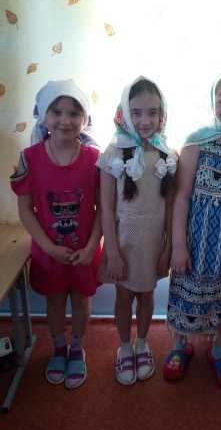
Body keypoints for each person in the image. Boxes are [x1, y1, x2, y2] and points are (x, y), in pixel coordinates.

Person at [164, 69, 221, 389]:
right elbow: (182, 196)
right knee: (188, 290)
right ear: (213, 102)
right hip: (198, 240)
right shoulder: (197, 143)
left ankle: (218, 348)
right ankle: (180, 344)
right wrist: (179, 245)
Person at [10, 79, 102, 389]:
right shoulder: (29, 158)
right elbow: (26, 210)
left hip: (84, 250)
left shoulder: (95, 159)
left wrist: (92, 246)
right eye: (57, 112)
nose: (65, 120)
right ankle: (59, 347)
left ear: (84, 118)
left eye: (74, 113)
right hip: (48, 250)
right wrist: (49, 247)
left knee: (80, 300)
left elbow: (103, 209)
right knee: (54, 301)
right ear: (43, 115)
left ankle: (77, 347)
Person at [97, 77, 177, 386]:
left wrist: (168, 248)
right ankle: (124, 346)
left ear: (162, 114)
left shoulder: (168, 155)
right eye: (137, 112)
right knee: (123, 296)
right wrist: (112, 252)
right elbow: (105, 208)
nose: (145, 120)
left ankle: (142, 343)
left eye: (152, 112)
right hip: (123, 243)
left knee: (146, 295)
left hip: (153, 244)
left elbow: (170, 205)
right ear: (125, 113)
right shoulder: (113, 153)